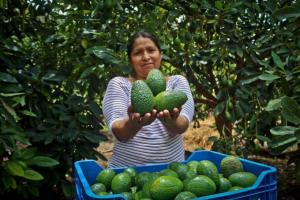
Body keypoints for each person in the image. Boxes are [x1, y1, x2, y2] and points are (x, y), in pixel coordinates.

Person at [102, 31, 194, 168]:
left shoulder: (177, 82)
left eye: (151, 50)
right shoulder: (119, 84)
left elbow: (182, 125)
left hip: (172, 173)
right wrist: (134, 124)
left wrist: (171, 121)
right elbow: (118, 130)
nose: (146, 57)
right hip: (126, 173)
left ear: (160, 54)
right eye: (138, 53)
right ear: (130, 60)